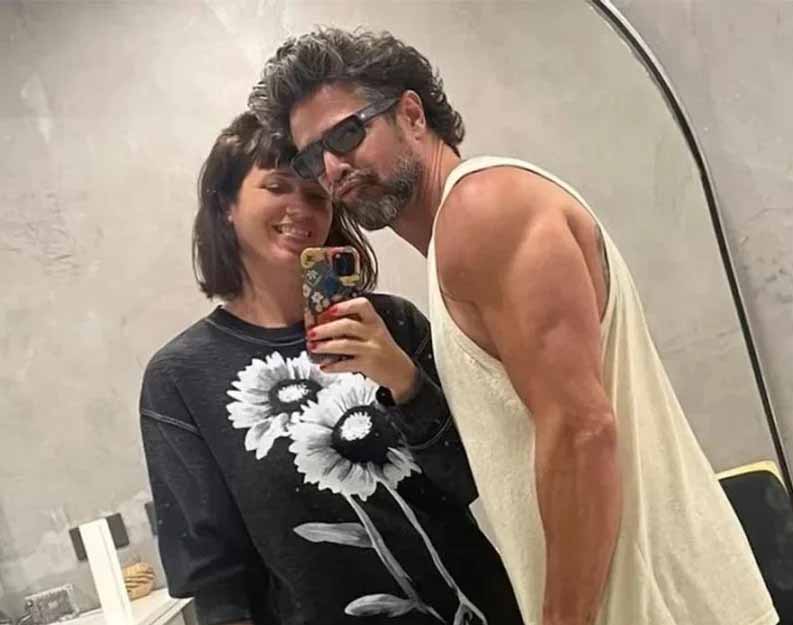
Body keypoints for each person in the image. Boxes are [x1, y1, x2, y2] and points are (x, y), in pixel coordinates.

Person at [247, 27, 779, 625]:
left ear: (412, 115)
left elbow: (581, 433)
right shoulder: (462, 230)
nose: (332, 167)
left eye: (347, 134)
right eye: (311, 157)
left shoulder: (483, 211)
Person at [139, 112, 523, 625]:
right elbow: (213, 576)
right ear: (225, 205)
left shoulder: (393, 323)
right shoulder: (181, 378)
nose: (300, 208)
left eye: (317, 195)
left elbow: (478, 480)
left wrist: (404, 381)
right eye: (277, 187)